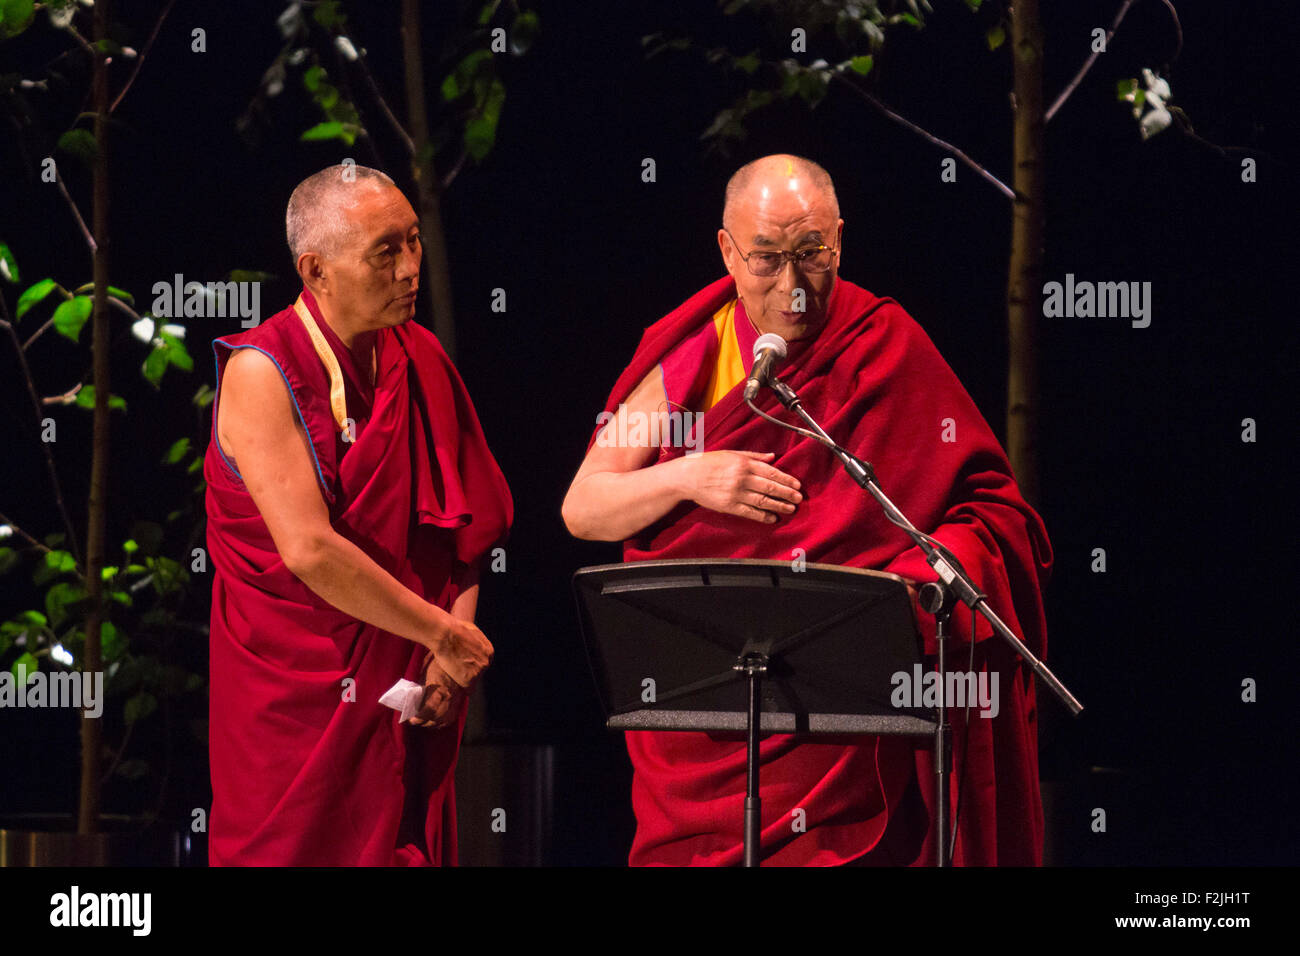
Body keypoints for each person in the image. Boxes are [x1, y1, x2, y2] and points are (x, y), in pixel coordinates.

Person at [562, 154, 1053, 866]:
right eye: (766, 259)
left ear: (840, 242)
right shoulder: (696, 358)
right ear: (728, 252)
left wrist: (926, 576)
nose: (792, 288)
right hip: (710, 707)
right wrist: (691, 476)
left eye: (811, 256)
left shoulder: (882, 343)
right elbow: (585, 505)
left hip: (845, 711)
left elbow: (990, 509)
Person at [203, 164, 512, 865]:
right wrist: (439, 632)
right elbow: (308, 551)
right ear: (316, 270)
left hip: (402, 696)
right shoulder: (262, 371)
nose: (411, 268)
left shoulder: (418, 355)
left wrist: (449, 651)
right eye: (385, 252)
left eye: (413, 242)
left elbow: (465, 532)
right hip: (291, 701)